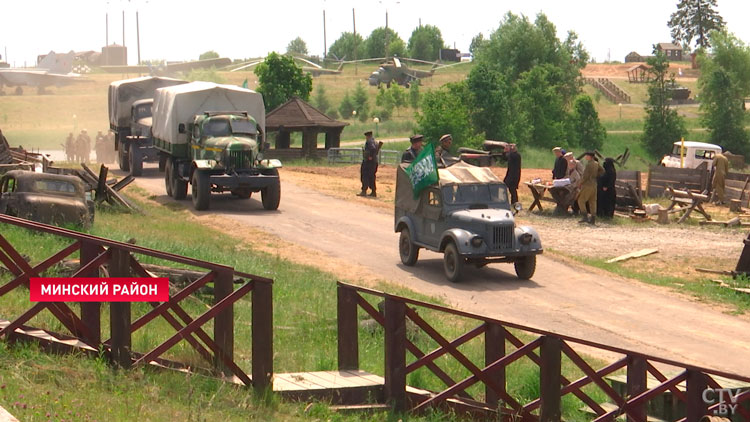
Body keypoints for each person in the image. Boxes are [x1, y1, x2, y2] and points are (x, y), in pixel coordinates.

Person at [577, 151, 604, 225]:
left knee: (581, 200)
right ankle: (593, 218)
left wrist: (580, 183)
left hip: (587, 185)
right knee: (592, 201)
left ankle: (584, 216)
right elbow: (602, 170)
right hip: (594, 184)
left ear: (590, 157)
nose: (586, 157)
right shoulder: (596, 163)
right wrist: (595, 175)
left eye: (587, 156)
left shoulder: (589, 165)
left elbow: (585, 176)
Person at [358, 130, 379, 197]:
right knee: (372, 176)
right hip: (374, 162)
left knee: (365, 176)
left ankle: (364, 191)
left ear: (367, 136)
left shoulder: (369, 141)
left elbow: (372, 149)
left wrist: (370, 156)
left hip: (368, 162)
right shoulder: (375, 141)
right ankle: (373, 191)